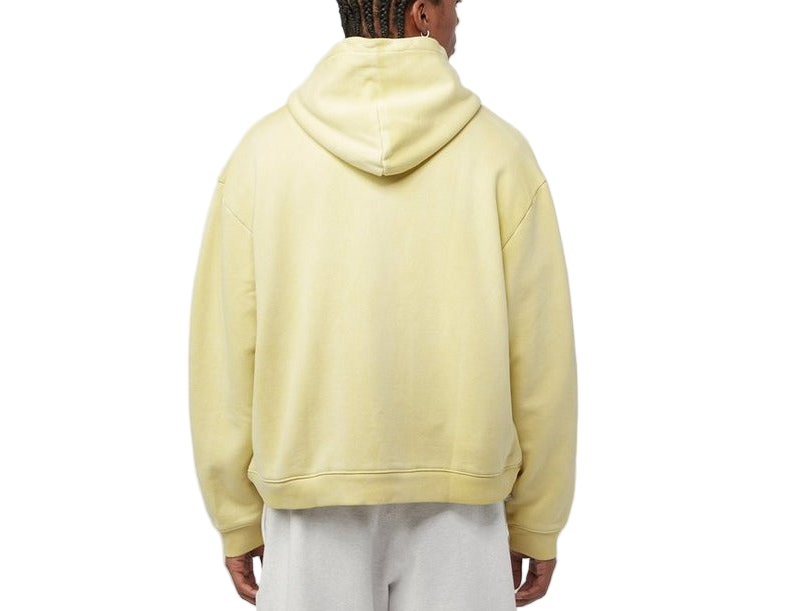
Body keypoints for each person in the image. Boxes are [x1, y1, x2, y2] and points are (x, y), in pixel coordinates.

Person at [188, 1, 578, 608]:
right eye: (451, 3)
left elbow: (224, 355)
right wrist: (537, 518)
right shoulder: (501, 155)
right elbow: (542, 358)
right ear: (422, 14)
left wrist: (235, 515)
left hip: (309, 503)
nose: (460, 14)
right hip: (463, 512)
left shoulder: (262, 156)